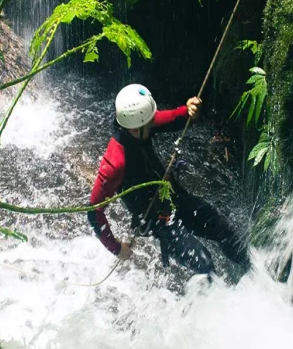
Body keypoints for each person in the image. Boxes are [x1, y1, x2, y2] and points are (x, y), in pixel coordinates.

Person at [87, 84, 249, 275]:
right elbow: (94, 211)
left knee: (222, 229)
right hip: (155, 221)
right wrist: (116, 248)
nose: (153, 122)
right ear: (137, 127)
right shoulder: (115, 162)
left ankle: (254, 272)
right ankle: (217, 299)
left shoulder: (138, 125)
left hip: (174, 198)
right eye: (149, 122)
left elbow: (168, 119)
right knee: (203, 264)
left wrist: (187, 112)